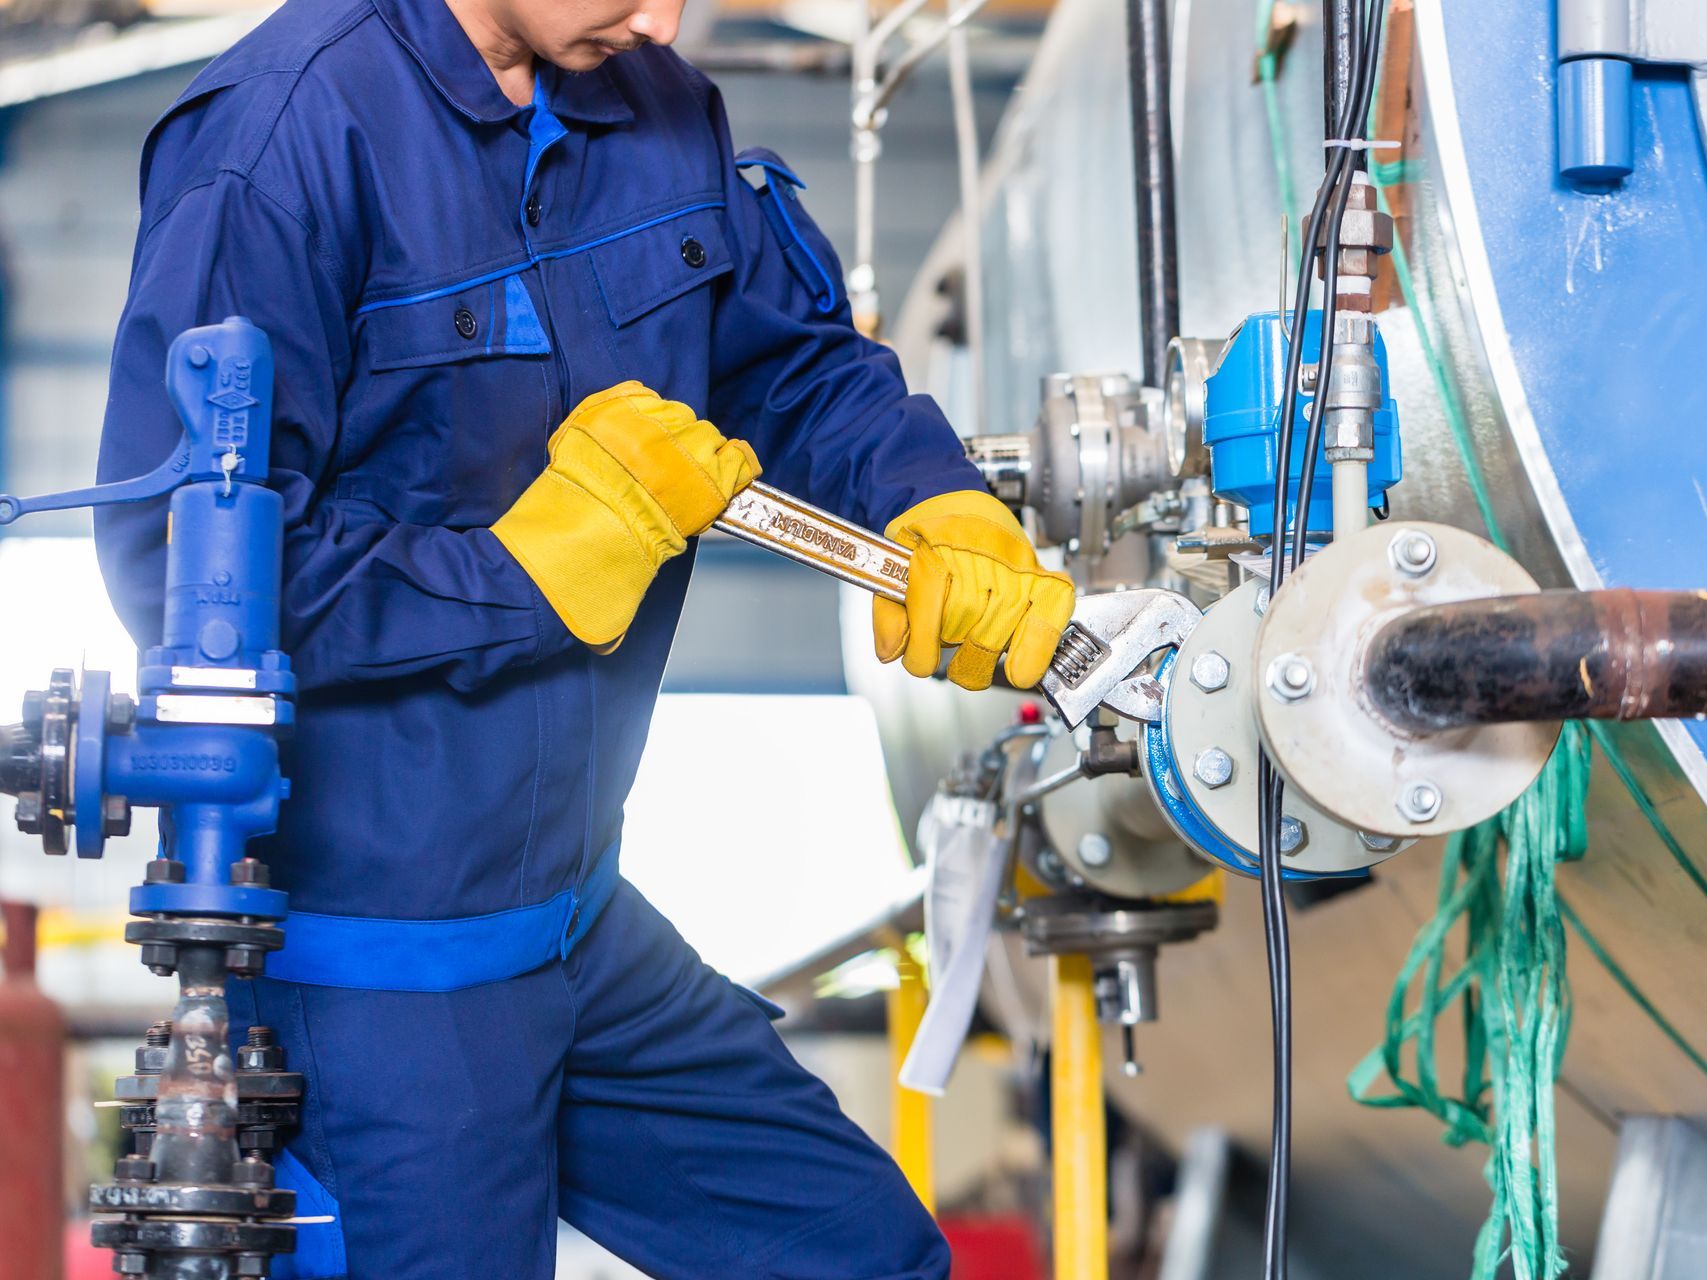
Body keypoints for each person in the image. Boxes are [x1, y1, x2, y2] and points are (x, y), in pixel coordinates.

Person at [92, 0, 1075, 1275]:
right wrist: (520, 573)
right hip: (378, 979)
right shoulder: (281, 138)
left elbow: (792, 366)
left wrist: (930, 497)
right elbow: (174, 567)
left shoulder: (658, 103)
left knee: (862, 1253)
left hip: (580, 921)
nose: (663, 15)